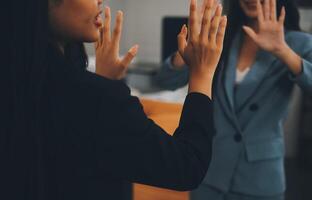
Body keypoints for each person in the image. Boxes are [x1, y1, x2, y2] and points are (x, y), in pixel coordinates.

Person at [0, 0, 228, 199]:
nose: (100, 0)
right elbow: (186, 166)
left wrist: (102, 84)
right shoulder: (98, 100)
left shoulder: (20, 85)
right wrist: (202, 73)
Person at [155, 0, 312, 199]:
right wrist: (188, 50)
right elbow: (164, 80)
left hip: (259, 177)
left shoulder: (299, 43)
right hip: (210, 170)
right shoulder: (223, 36)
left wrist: (283, 51)